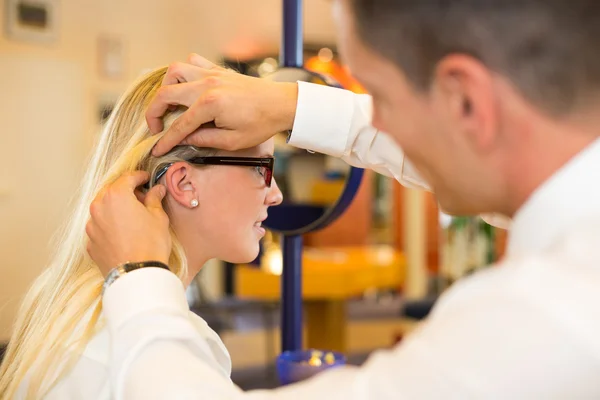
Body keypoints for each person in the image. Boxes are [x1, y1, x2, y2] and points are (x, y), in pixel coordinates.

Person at [87, 0, 600, 398]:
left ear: (466, 100)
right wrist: (291, 103)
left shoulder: (550, 315)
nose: (377, 125)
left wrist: (137, 279)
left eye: (382, 98)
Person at [0, 66, 283, 399]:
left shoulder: (72, 306)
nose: (276, 193)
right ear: (184, 183)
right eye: (262, 169)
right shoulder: (170, 348)